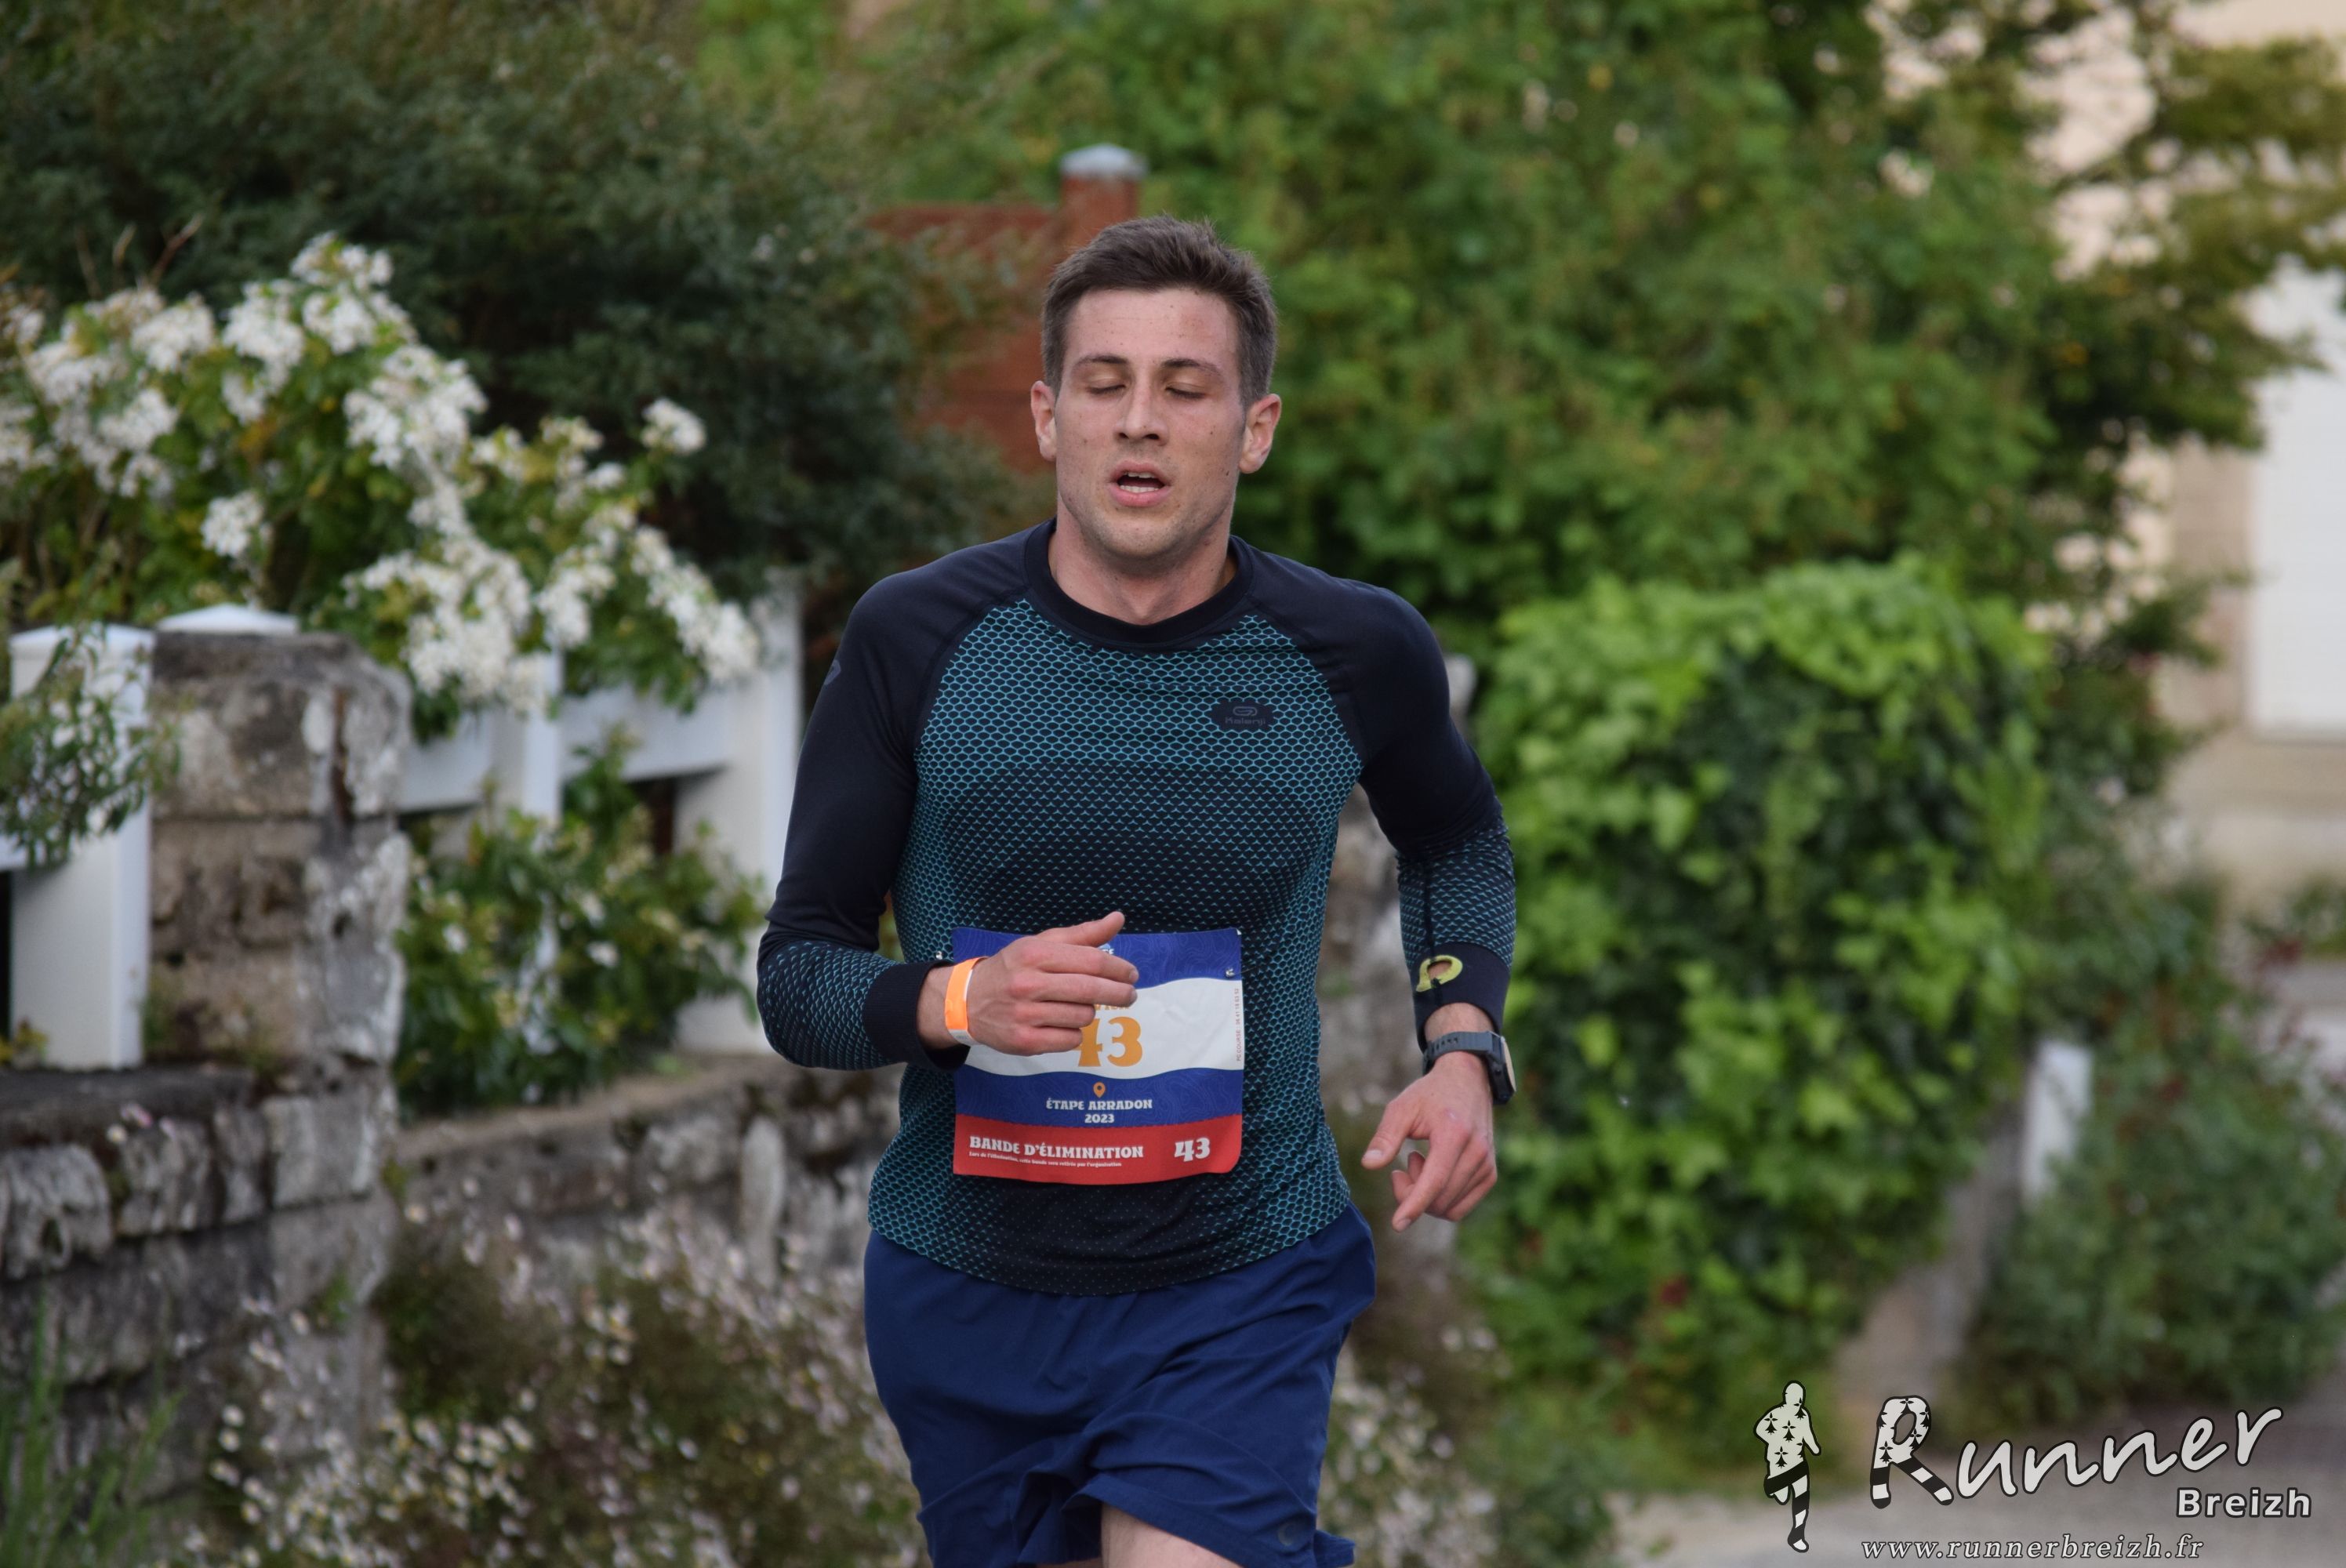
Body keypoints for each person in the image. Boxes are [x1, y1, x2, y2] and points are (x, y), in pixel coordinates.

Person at [756, 214, 1519, 1568]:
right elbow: (798, 975)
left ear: (1255, 428)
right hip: (970, 1289)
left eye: (1186, 387)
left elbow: (1456, 840)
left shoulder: (1353, 648)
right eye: (1104, 384)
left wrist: (1463, 1048)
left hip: (1241, 1272)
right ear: (1048, 418)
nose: (1141, 421)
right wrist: (959, 1001)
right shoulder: (917, 639)